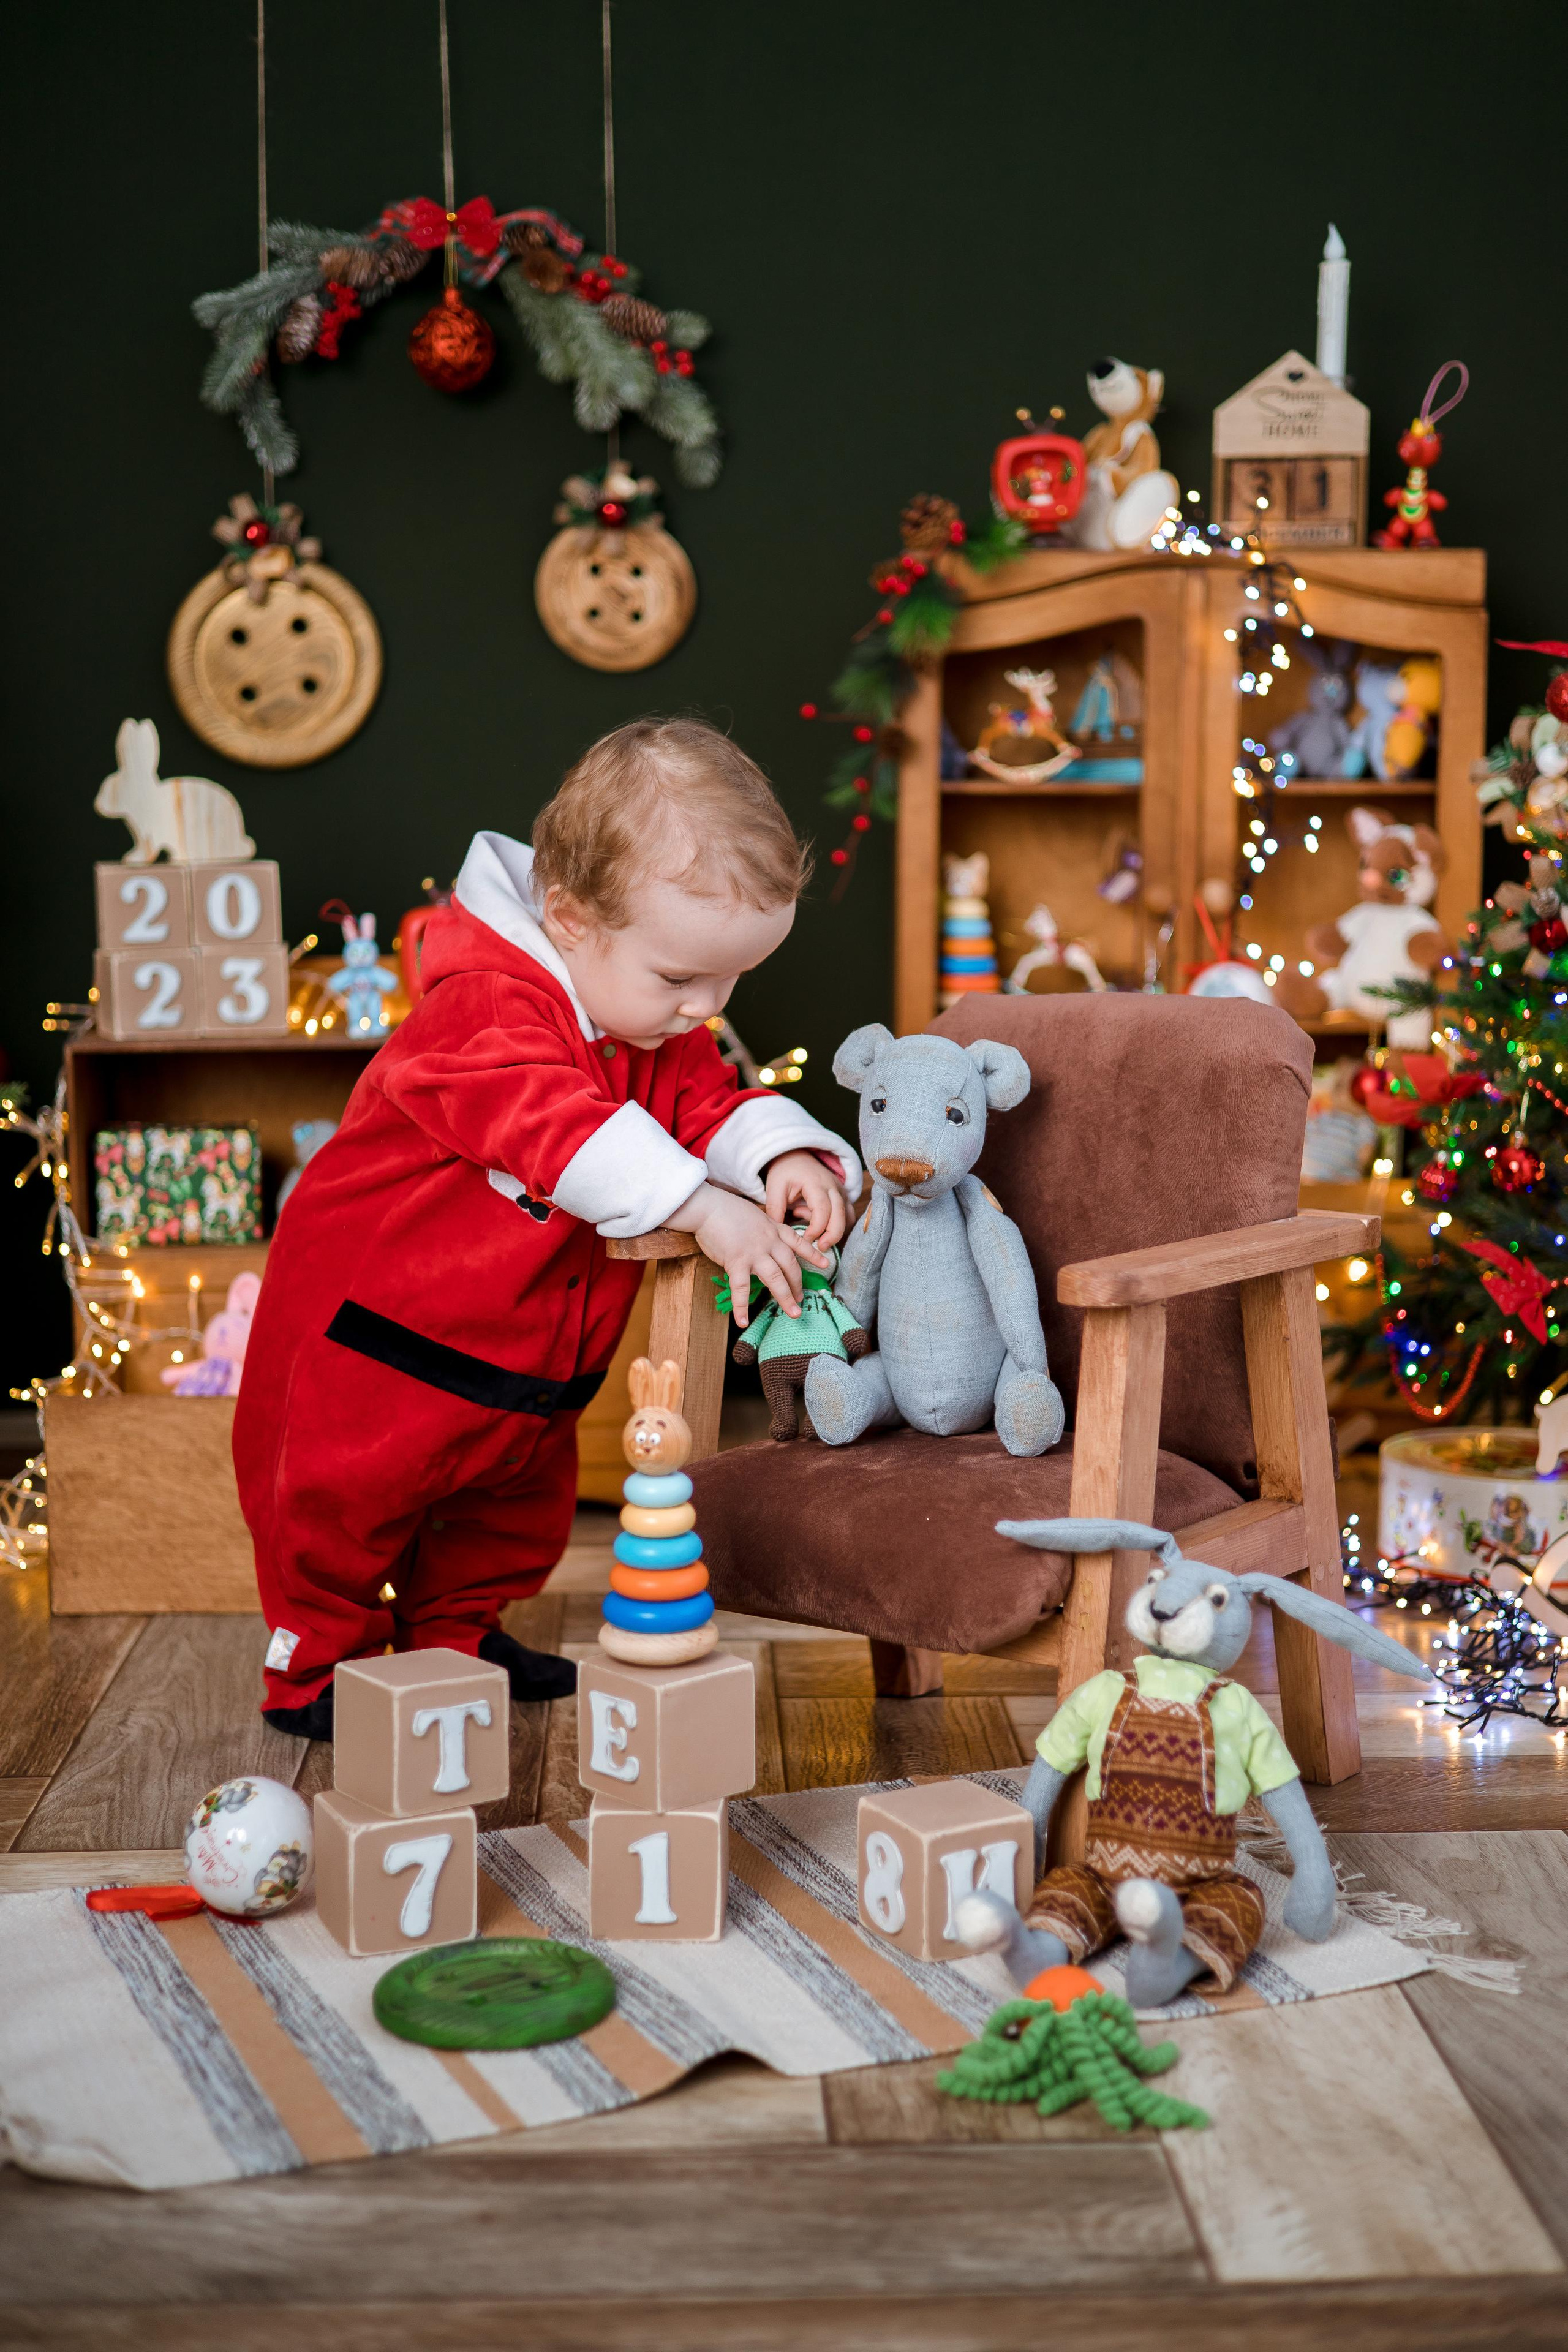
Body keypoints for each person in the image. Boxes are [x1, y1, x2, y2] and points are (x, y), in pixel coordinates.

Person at [236, 717, 861, 1736]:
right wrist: (706, 1206)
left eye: (731, 982)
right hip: (376, 1340)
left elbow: (707, 1101)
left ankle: (455, 1632)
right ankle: (314, 1669)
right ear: (569, 917)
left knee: (508, 1505)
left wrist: (779, 1155)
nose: (704, 1008)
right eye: (679, 979)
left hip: (523, 1359)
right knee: (340, 1511)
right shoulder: (486, 1004)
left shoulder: (649, 1019)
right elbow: (556, 1128)